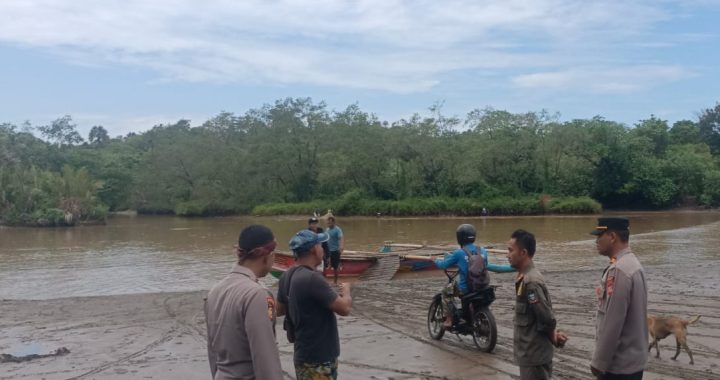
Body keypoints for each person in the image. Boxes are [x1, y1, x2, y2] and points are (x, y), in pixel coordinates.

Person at [204, 224, 283, 380]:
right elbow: (264, 357)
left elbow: (212, 352)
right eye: (274, 253)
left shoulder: (215, 291)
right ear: (265, 255)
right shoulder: (257, 294)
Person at [277, 230, 353, 380]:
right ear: (313, 249)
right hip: (319, 358)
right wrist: (346, 291)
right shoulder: (312, 278)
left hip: (302, 355)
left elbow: (279, 310)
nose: (323, 248)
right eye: (320, 244)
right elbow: (344, 308)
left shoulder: (287, 275)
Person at [590, 217, 648, 379]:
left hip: (619, 367)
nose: (596, 241)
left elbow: (613, 321)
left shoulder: (620, 271)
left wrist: (599, 362)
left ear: (612, 237)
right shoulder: (632, 264)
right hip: (632, 361)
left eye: (599, 236)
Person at [506, 229, 568, 380]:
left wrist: (553, 337)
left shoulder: (531, 282)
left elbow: (546, 319)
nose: (507, 255)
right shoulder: (523, 277)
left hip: (534, 356)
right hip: (529, 354)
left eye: (510, 250)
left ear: (523, 252)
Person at [433, 224, 515, 328]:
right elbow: (484, 265)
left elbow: (443, 265)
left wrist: (434, 260)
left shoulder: (458, 253)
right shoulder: (483, 251)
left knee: (445, 292)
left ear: (459, 238)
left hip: (465, 288)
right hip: (482, 285)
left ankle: (449, 319)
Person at [326, 216, 344, 284]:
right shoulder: (327, 230)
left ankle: (335, 282)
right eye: (328, 223)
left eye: (330, 223)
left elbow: (341, 238)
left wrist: (341, 246)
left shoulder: (338, 229)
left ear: (334, 222)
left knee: (335, 267)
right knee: (327, 265)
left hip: (335, 251)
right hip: (328, 251)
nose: (329, 224)